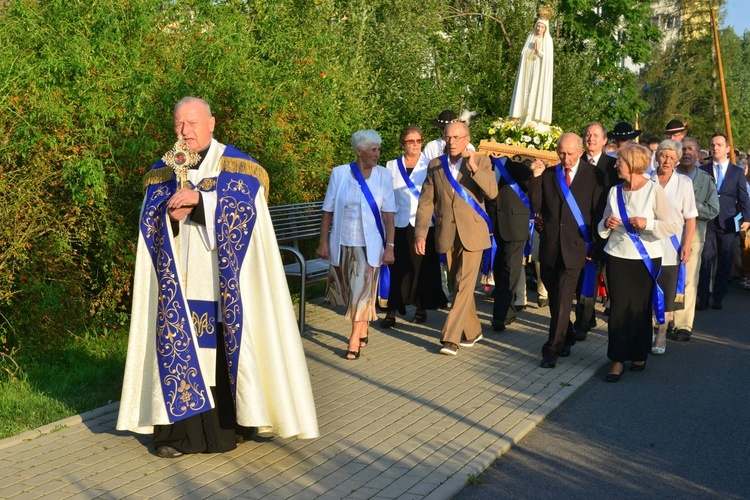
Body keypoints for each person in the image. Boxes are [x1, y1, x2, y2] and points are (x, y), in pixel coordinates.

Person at [117, 97, 319, 458]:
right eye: (179, 124)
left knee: (225, 349)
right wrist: (169, 219)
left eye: (193, 123)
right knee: (180, 346)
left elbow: (245, 212)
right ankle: (175, 437)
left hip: (224, 285)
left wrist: (201, 203)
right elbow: (149, 226)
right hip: (178, 285)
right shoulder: (162, 171)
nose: (185, 131)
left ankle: (233, 427)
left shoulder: (239, 168)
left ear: (212, 123)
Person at [597, 144, 681, 382]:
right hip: (617, 256)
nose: (616, 165)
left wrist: (648, 223)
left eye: (620, 161)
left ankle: (638, 352)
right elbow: (601, 224)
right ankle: (616, 359)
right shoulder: (614, 192)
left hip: (645, 258)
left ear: (633, 164)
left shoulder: (654, 191)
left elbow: (671, 225)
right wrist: (606, 225)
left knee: (641, 308)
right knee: (619, 308)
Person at [414, 121, 498, 356]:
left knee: (462, 286)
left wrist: (473, 168)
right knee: (457, 284)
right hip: (446, 233)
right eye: (448, 137)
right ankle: (472, 331)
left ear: (467, 139)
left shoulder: (480, 161)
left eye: (457, 138)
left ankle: (450, 338)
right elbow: (426, 202)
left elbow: (492, 192)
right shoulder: (435, 166)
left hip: (473, 233)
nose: (452, 142)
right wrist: (420, 233)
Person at [317, 130, 396, 359]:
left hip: (369, 245)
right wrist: (323, 241)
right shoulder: (340, 173)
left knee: (360, 292)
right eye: (373, 149)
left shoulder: (383, 175)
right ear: (359, 151)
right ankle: (362, 327)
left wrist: (390, 246)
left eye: (379, 149)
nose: (377, 154)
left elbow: (389, 215)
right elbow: (327, 211)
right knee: (351, 291)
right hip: (342, 242)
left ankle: (353, 338)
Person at [529, 133, 605, 368]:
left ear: (581, 152)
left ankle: (552, 349)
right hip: (550, 248)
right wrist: (535, 178)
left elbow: (597, 214)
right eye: (561, 153)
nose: (566, 158)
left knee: (562, 300)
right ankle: (568, 335)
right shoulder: (550, 174)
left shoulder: (593, 176)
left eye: (571, 153)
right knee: (554, 300)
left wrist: (596, 246)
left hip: (576, 248)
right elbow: (535, 206)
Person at [381, 126, 447, 328]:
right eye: (411, 141)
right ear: (403, 144)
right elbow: (386, 195)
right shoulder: (391, 165)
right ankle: (391, 310)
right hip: (399, 224)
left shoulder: (432, 165)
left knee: (423, 269)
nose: (416, 145)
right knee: (397, 269)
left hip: (424, 225)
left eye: (419, 141)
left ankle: (421, 308)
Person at [574, 122, 619, 339]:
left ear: (604, 141)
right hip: (579, 228)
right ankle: (583, 321)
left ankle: (589, 315)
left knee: (601, 274)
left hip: (606, 228)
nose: (590, 138)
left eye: (595, 135)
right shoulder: (575, 161)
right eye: (587, 135)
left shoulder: (614, 166)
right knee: (583, 274)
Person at [652, 140, 697, 354]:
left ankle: (661, 333)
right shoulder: (646, 179)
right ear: (657, 156)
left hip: (672, 246)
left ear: (678, 161)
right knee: (647, 288)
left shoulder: (684, 184)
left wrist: (686, 244)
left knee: (667, 292)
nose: (667, 161)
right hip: (646, 245)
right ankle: (645, 329)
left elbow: (690, 218)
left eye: (671, 157)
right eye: (663, 155)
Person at [672, 137, 719, 341]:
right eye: (682, 149)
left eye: (690, 148)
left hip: (695, 237)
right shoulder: (668, 177)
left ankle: (683, 324)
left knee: (689, 281)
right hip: (669, 235)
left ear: (698, 154)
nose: (686, 152)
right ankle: (663, 317)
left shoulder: (705, 180)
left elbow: (713, 209)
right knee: (667, 278)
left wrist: (690, 208)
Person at [697, 133, 750, 310]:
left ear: (727, 148)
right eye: (712, 144)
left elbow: (743, 197)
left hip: (728, 222)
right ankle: (703, 296)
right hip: (707, 220)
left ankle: (718, 296)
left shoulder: (736, 172)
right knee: (706, 257)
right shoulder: (703, 171)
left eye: (719, 145)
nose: (715, 147)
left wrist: (747, 218)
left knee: (725, 258)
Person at [485, 155, 534, 332]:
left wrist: (534, 170)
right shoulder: (485, 163)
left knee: (510, 269)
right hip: (494, 224)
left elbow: (530, 184)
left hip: (514, 224)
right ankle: (510, 311)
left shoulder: (519, 165)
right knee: (499, 268)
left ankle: (501, 316)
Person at [508, 10, 554, 129]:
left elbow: (548, 58)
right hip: (528, 69)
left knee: (535, 91)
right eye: (538, 26)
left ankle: (533, 117)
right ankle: (521, 116)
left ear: (545, 28)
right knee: (525, 91)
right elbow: (524, 53)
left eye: (542, 27)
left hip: (539, 72)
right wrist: (531, 49)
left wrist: (538, 50)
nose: (539, 29)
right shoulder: (530, 37)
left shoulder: (548, 41)